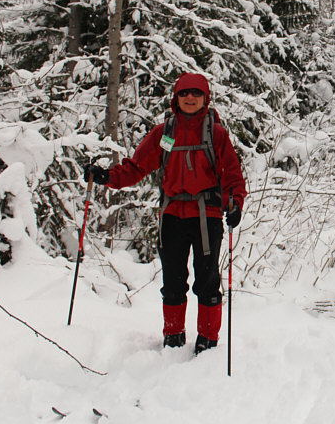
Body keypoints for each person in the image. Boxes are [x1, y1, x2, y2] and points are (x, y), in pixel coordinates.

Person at [84, 73, 246, 353]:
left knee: (207, 280)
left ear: (205, 98)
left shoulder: (216, 134)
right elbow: (137, 167)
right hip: (171, 215)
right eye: (185, 93)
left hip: (206, 216)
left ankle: (208, 342)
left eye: (196, 93)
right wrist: (106, 176)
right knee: (172, 280)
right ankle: (173, 338)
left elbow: (232, 176)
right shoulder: (164, 134)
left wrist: (234, 204)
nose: (190, 98)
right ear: (176, 98)